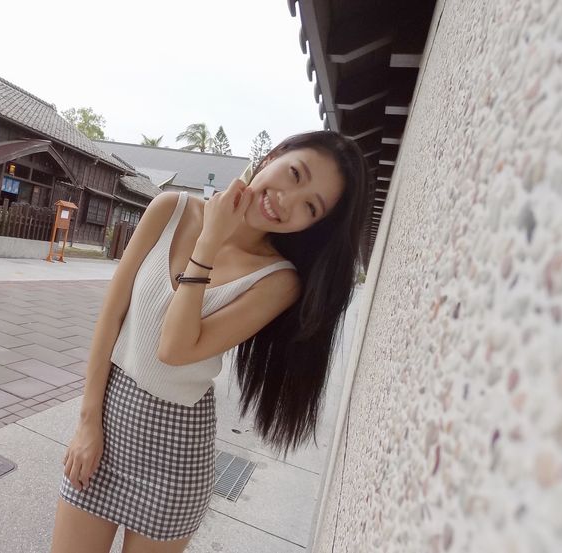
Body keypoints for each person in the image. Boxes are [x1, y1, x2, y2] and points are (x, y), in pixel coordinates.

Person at [50, 131, 372, 553]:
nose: (288, 201)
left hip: (176, 452)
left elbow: (175, 349)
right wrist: (87, 423)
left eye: (310, 207)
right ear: (273, 156)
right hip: (108, 418)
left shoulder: (277, 281)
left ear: (314, 224)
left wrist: (209, 242)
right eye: (294, 174)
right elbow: (111, 317)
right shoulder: (170, 209)